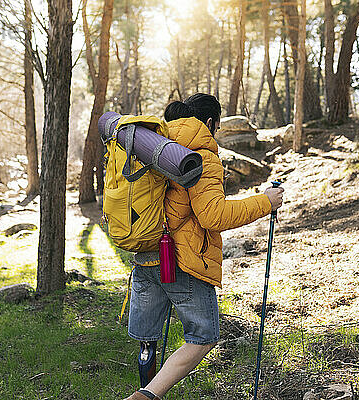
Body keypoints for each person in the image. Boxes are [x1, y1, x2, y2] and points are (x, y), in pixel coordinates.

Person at [124, 93, 284, 400]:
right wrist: (266, 202)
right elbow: (213, 215)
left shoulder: (152, 147)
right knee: (203, 337)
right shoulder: (201, 156)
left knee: (148, 339)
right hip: (181, 260)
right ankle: (147, 396)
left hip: (145, 252)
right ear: (210, 123)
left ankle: (144, 387)